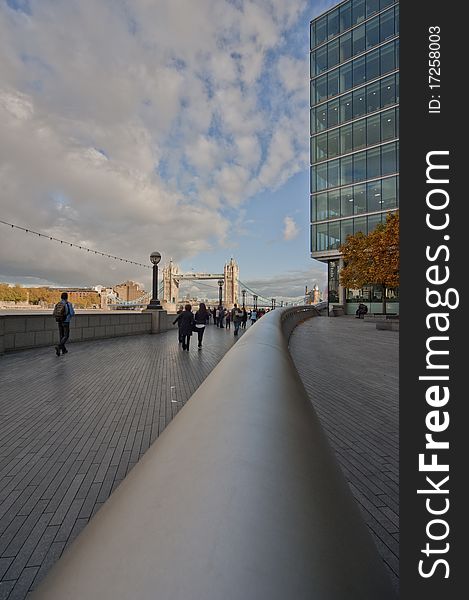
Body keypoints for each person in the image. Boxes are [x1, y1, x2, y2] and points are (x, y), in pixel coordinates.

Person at [54, 292, 75, 356]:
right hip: (66, 321)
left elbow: (54, 312)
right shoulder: (68, 304)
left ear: (61, 297)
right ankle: (59, 346)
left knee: (61, 335)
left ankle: (63, 350)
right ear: (67, 297)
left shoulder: (58, 303)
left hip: (59, 321)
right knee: (66, 336)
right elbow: (72, 313)